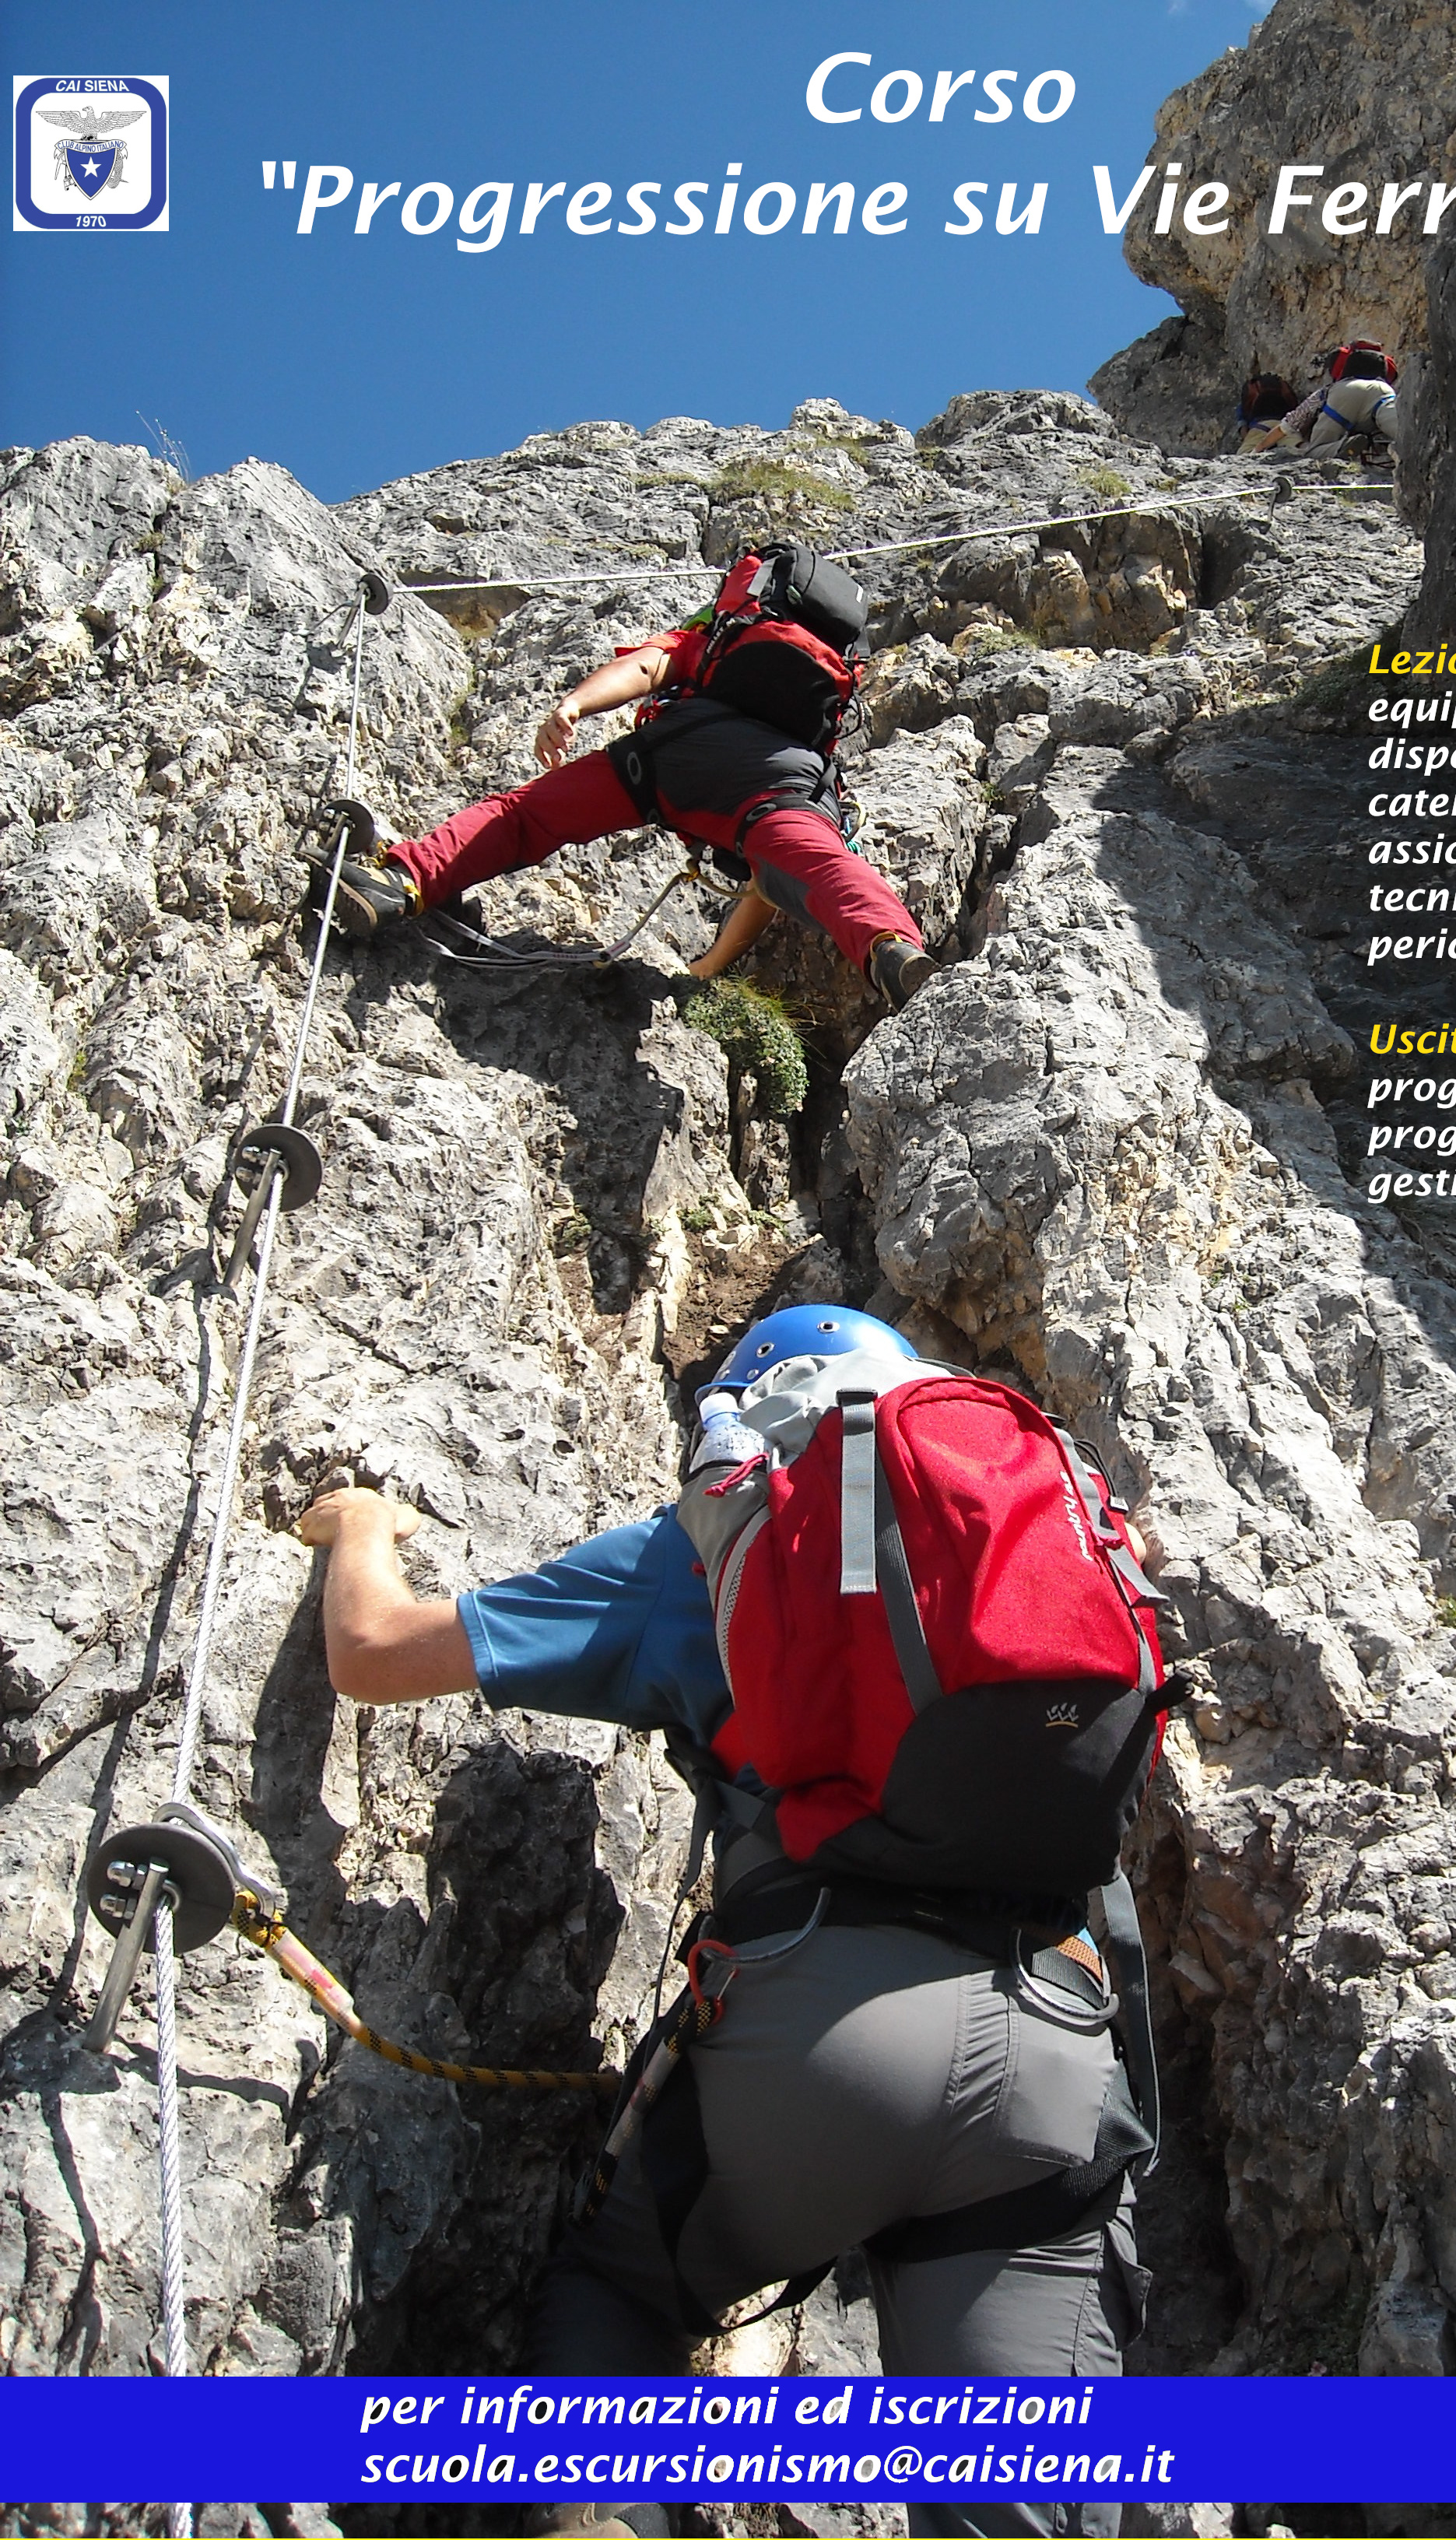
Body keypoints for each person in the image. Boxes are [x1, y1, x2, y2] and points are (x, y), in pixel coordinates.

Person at [297, 1303, 1156, 2540]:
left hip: (815, 2028)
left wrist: (360, 1525)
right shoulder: (1026, 1548)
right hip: (1053, 2052)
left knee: (626, 2287)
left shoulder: (705, 1546)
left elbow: (373, 1651)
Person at [322, 570, 939, 1014]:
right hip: (777, 784)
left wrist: (574, 705)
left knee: (527, 817)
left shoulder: (714, 638)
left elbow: (648, 667)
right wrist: (708, 969)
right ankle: (890, 945)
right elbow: (770, 884)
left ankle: (400, 882)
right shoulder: (815, 716)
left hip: (673, 757)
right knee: (826, 867)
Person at [1253, 342, 1400, 458]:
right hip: (1384, 392)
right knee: (1402, 433)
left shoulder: (1331, 389)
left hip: (1344, 394)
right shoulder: (1383, 385)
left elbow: (1289, 424)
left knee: (1314, 452)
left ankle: (1341, 447)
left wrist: (1259, 448)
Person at [1233, 370, 1299, 453]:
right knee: (1298, 450)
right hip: (1285, 425)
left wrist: (1247, 439)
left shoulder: (1248, 397)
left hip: (1259, 427)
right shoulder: (1283, 390)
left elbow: (1242, 423)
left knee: (1244, 455)